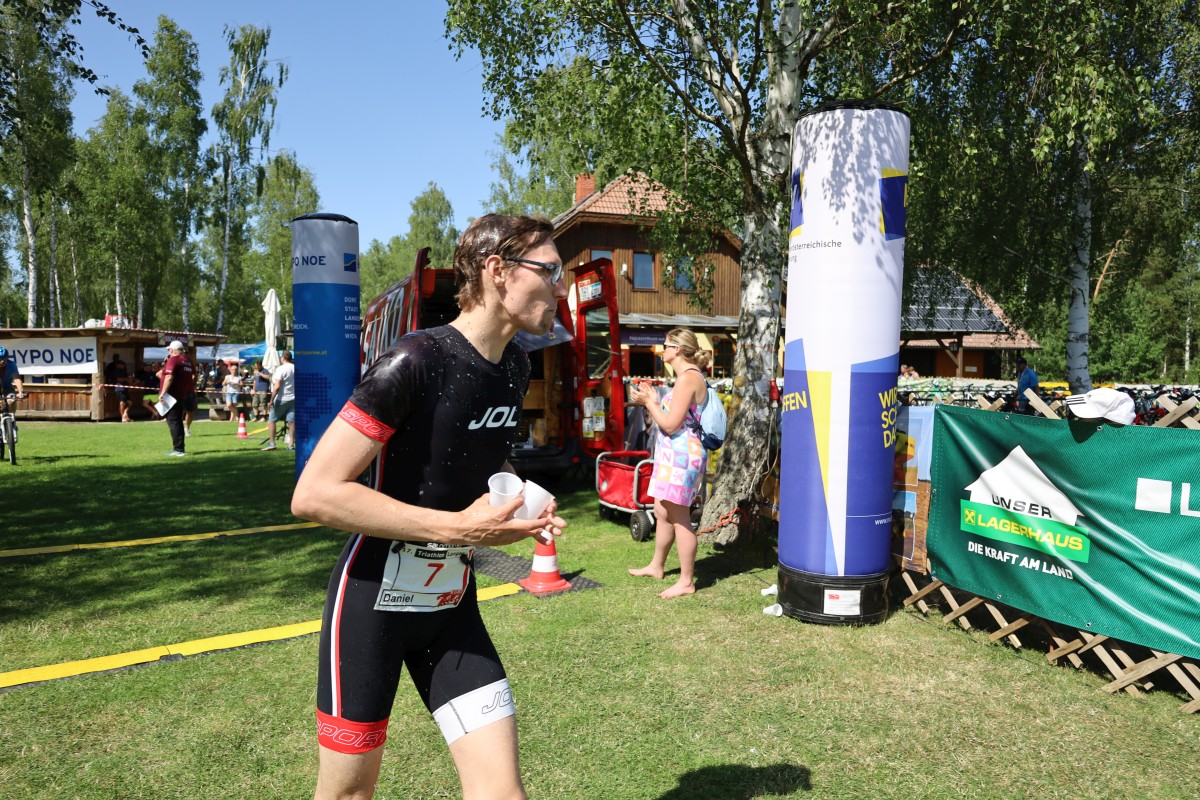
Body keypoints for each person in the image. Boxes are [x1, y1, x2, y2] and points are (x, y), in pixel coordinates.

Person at [291, 213, 569, 800]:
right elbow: (314, 493)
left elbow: (482, 460)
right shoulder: (415, 359)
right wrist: (457, 528)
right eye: (550, 270)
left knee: (502, 794)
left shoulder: (515, 366)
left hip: (450, 607)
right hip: (370, 606)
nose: (561, 286)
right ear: (498, 270)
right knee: (347, 794)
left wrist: (520, 509)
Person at [627, 328, 711, 599]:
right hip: (673, 456)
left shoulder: (688, 378)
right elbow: (675, 419)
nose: (662, 350)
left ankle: (686, 581)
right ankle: (656, 566)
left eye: (665, 345)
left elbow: (671, 425)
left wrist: (648, 403)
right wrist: (652, 401)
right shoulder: (685, 378)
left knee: (679, 517)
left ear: (677, 349)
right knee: (661, 511)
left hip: (682, 458)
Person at [159, 341, 196, 456]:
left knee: (174, 422)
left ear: (172, 350)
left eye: (169, 350)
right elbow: (193, 376)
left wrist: (163, 393)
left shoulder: (173, 360)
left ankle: (178, 449)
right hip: (182, 394)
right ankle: (179, 448)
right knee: (177, 421)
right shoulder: (188, 362)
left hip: (172, 395)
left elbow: (169, 377)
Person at [261, 351, 295, 451]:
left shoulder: (281, 369)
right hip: (293, 398)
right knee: (291, 421)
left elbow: (277, 386)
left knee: (272, 420)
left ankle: (272, 443)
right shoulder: (295, 368)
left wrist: (271, 400)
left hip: (282, 398)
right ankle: (291, 445)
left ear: (283, 358)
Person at [105, 354, 132, 422]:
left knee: (130, 402)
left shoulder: (123, 371)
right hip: (120, 388)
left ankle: (125, 414)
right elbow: (118, 379)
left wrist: (129, 378)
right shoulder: (116, 371)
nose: (123, 366)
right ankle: (123, 418)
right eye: (122, 365)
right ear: (118, 365)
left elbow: (128, 378)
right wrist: (127, 378)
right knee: (122, 403)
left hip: (125, 388)